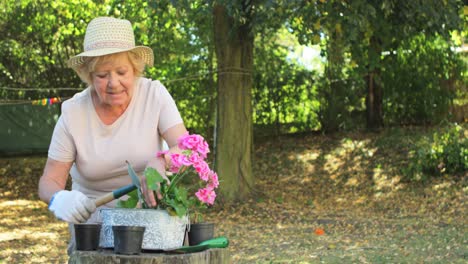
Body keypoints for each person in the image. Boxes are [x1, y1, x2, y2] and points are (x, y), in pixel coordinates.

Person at [38, 16, 187, 253]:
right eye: (102, 75)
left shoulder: (154, 95)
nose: (113, 83)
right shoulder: (73, 113)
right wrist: (59, 199)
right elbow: (49, 181)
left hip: (152, 225)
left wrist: (161, 159)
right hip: (93, 229)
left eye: (121, 72)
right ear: (89, 75)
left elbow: (188, 148)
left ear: (135, 69)